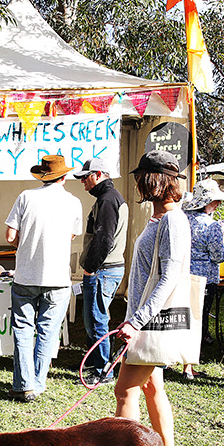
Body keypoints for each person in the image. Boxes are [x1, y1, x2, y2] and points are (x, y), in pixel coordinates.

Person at [113, 150, 189, 446]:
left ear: (153, 180)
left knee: (124, 392)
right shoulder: (161, 218)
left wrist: (136, 320)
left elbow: (168, 277)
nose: (138, 183)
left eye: (142, 177)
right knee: (151, 390)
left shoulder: (173, 219)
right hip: (146, 321)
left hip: (151, 324)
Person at [5, 155, 82, 402]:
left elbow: (9, 236)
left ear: (42, 175)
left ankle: (23, 384)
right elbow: (71, 236)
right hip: (58, 277)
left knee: (23, 330)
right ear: (64, 176)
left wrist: (25, 244)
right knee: (49, 331)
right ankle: (38, 384)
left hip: (26, 275)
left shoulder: (26, 196)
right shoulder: (74, 202)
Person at [72, 158, 128, 386]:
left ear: (98, 174)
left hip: (104, 270)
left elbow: (104, 239)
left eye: (86, 177)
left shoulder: (107, 200)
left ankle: (103, 370)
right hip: (106, 269)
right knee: (94, 318)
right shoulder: (109, 198)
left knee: (96, 319)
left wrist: (90, 268)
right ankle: (97, 364)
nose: (83, 182)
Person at [182, 179, 224, 380]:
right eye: (215, 201)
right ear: (206, 202)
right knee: (197, 321)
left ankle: (167, 360)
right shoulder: (212, 227)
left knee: (178, 317)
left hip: (180, 275)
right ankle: (188, 367)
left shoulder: (182, 219)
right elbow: (220, 255)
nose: (218, 204)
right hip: (204, 280)